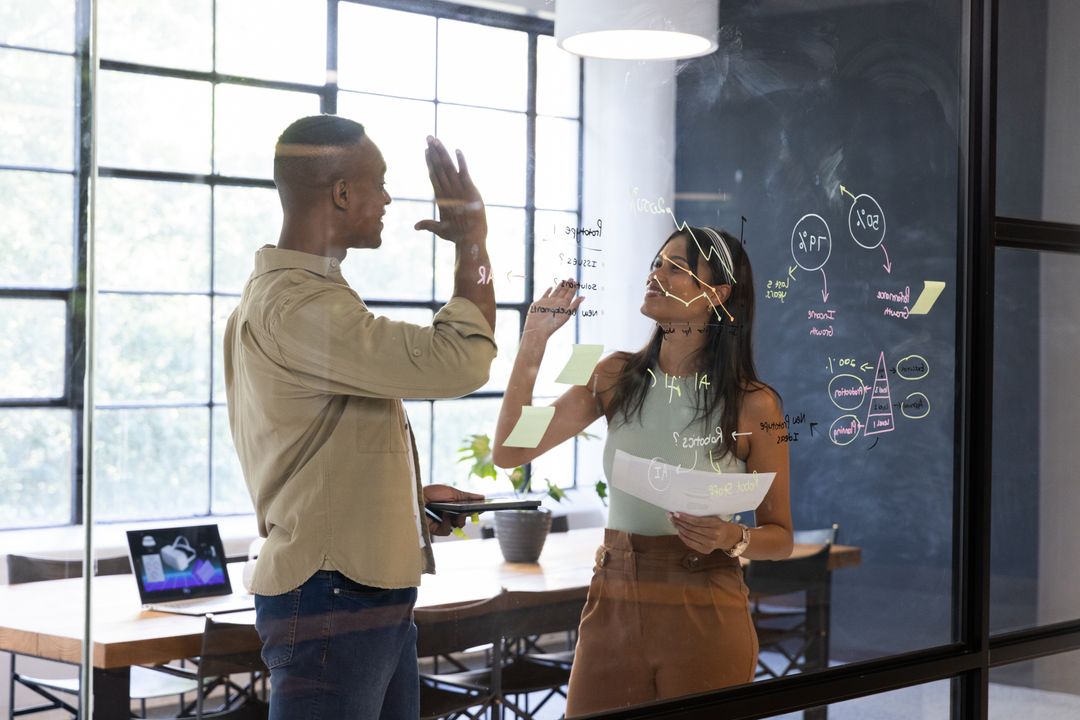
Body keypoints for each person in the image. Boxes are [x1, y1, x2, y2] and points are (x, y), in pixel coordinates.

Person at [223, 114, 497, 720]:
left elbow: (312, 449)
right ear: (342, 193)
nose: (389, 198)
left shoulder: (292, 297)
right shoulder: (301, 306)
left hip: (351, 591)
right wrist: (472, 241)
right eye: (380, 182)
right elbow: (461, 361)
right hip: (334, 597)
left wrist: (399, 499)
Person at [492, 225, 793, 715]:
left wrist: (730, 538)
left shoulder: (755, 403)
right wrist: (533, 342)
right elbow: (509, 450)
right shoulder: (614, 375)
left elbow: (780, 537)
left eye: (676, 268)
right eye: (656, 263)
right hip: (613, 593)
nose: (656, 274)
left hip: (705, 602)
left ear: (717, 296)